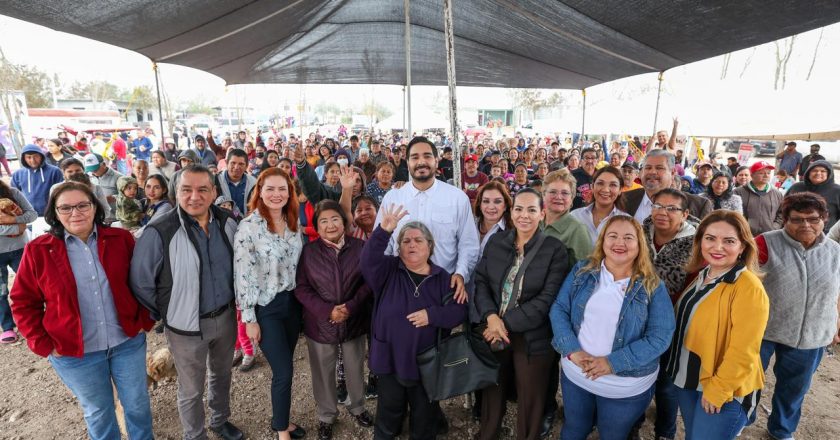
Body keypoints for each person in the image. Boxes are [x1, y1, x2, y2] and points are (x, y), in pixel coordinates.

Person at [11, 182, 155, 440]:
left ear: (94, 207)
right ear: (54, 213)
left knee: (137, 406)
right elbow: (23, 302)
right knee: (99, 412)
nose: (75, 213)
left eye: (82, 205)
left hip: (127, 344)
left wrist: (145, 318)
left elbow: (143, 281)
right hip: (76, 354)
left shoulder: (121, 239)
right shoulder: (38, 250)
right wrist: (43, 343)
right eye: (65, 208)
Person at [130, 165, 244, 440]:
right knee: (191, 388)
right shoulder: (159, 230)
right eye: (186, 190)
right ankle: (195, 435)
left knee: (222, 374)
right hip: (185, 327)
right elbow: (141, 281)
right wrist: (168, 311)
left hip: (225, 317)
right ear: (176, 193)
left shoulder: (228, 222)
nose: (195, 196)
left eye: (203, 189)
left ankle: (220, 421)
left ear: (214, 192)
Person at [550, 215, 675, 440]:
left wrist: (612, 363)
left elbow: (660, 337)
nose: (620, 243)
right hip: (577, 374)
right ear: (602, 241)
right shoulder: (583, 271)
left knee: (612, 435)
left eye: (629, 237)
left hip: (624, 385)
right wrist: (572, 350)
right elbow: (559, 309)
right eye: (613, 236)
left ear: (639, 245)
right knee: (573, 429)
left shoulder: (652, 285)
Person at [361, 207, 467, 440]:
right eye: (406, 240)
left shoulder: (443, 278)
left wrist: (432, 315)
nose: (412, 244)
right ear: (399, 248)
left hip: (427, 363)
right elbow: (367, 261)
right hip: (390, 357)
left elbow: (458, 311)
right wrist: (383, 230)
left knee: (424, 417)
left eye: (418, 240)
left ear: (430, 246)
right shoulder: (388, 270)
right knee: (388, 414)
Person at [474, 188, 569, 440]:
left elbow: (547, 299)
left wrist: (502, 323)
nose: (524, 215)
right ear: (511, 211)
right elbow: (481, 281)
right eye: (518, 209)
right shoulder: (497, 241)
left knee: (530, 399)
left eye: (531, 210)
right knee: (492, 391)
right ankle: (488, 434)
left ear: (542, 214)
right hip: (494, 329)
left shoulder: (554, 250)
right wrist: (491, 317)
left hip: (532, 337)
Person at [665, 211, 769, 440]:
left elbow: (745, 349)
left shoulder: (748, 287)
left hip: (723, 390)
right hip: (690, 380)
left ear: (743, 246)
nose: (717, 247)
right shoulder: (705, 274)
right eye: (710, 238)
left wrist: (719, 390)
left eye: (729, 241)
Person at [755, 192, 840, 440]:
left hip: (813, 332)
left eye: (813, 219)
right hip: (764, 329)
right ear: (784, 220)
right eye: (797, 219)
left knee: (794, 388)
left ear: (825, 218)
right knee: (748, 381)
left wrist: (836, 322)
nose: (805, 225)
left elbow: (837, 291)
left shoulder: (835, 251)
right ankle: (743, 417)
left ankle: (781, 429)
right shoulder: (764, 242)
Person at [232, 168, 307, 440]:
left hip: (292, 304)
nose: (277, 194)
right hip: (266, 308)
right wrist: (249, 318)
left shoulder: (292, 223)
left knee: (285, 367)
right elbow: (243, 275)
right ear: (259, 192)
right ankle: (280, 430)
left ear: (290, 193)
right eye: (270, 189)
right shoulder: (249, 227)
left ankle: (283, 420)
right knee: (284, 371)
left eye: (282, 189)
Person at [294, 200, 374, 440]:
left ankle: (358, 407)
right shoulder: (309, 251)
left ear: (344, 222)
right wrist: (328, 311)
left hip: (354, 319)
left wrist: (350, 306)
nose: (330, 225)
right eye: (324, 221)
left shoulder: (360, 247)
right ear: (317, 226)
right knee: (322, 371)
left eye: (335, 219)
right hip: (320, 323)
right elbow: (302, 288)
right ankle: (327, 415)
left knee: (355, 366)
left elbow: (369, 283)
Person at [374, 136, 480, 311]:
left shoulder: (457, 198)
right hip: (401, 286)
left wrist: (461, 273)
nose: (421, 162)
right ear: (407, 162)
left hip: (444, 289)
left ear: (436, 161)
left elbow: (468, 244)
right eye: (415, 157)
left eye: (427, 156)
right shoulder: (393, 197)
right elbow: (383, 243)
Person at [639, 188, 698, 440]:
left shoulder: (697, 243)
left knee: (666, 384)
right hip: (638, 318)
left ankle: (665, 432)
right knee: (638, 378)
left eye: (671, 208)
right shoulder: (639, 233)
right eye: (658, 205)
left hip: (677, 322)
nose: (663, 212)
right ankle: (633, 425)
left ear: (685, 214)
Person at [624, 150, 712, 223]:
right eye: (648, 168)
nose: (652, 172)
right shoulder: (624, 199)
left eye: (659, 168)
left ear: (673, 172)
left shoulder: (699, 206)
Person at [0, 180, 36, 344]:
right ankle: (7, 327)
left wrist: (11, 218)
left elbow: (32, 214)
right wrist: (17, 227)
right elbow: (23, 225)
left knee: (33, 286)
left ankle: (38, 320)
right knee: (1, 292)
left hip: (20, 249)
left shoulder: (12, 193)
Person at [569, 166, 627, 244]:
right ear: (592, 186)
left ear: (620, 190)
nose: (606, 189)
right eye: (600, 183)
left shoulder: (626, 222)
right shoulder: (575, 216)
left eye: (613, 185)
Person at [786, 160, 840, 232]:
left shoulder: (837, 191)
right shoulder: (797, 187)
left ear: (829, 174)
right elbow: (783, 208)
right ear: (808, 173)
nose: (818, 173)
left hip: (824, 236)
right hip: (794, 233)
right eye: (814, 170)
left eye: (823, 171)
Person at [11, 144, 65, 216]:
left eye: (36, 156)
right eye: (28, 157)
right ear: (24, 158)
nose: (32, 160)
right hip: (27, 215)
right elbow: (14, 195)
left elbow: (61, 193)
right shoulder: (17, 174)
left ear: (41, 156)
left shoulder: (54, 171)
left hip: (51, 214)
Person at [734, 161, 784, 236]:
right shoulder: (738, 192)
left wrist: (775, 227)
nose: (766, 176)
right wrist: (743, 228)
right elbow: (734, 214)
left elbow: (782, 213)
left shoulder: (777, 194)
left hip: (770, 236)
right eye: (761, 173)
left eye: (768, 173)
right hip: (745, 236)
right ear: (752, 175)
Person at [214, 149, 257, 218]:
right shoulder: (216, 181)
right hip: (223, 223)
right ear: (227, 163)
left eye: (241, 164)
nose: (236, 167)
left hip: (248, 224)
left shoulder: (254, 183)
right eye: (233, 163)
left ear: (246, 166)